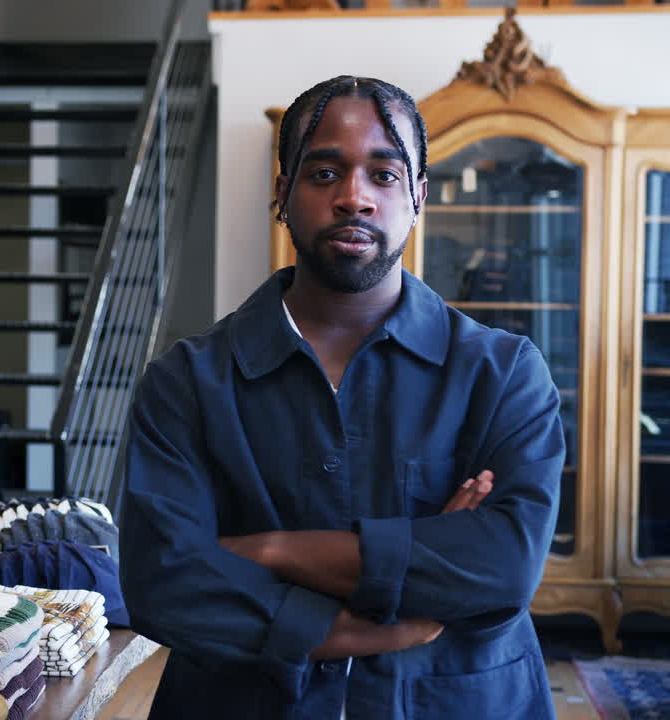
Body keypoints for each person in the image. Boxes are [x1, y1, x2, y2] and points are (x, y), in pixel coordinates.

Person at [119, 75, 564, 719]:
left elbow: (505, 567)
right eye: (325, 172)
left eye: (384, 175)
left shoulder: (504, 374)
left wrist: (266, 549)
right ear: (282, 193)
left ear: (417, 196)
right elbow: (165, 586)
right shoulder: (184, 383)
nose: (354, 197)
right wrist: (383, 616)